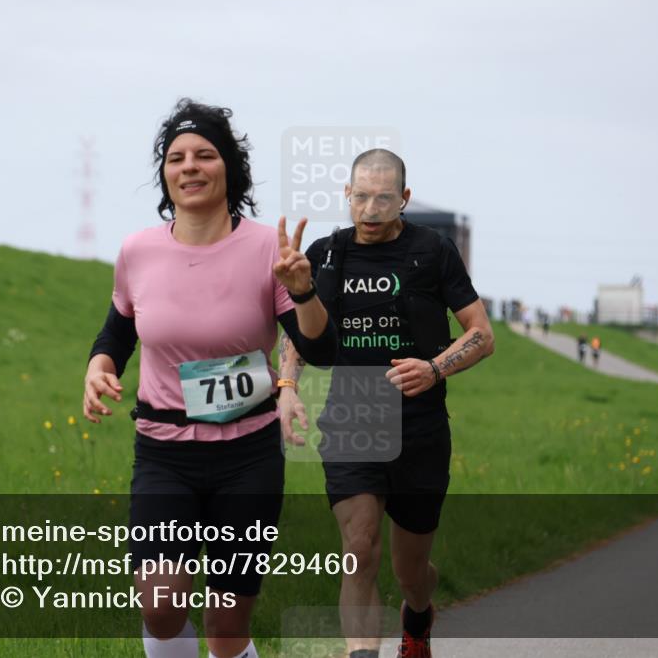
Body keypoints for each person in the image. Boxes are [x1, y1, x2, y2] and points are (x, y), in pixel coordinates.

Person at [83, 98, 337, 658]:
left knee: (226, 625)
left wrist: (302, 288)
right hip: (164, 452)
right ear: (165, 174)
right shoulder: (138, 251)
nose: (189, 166)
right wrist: (98, 368)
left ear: (229, 169)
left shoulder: (269, 246)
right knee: (161, 604)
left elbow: (317, 343)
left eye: (204, 154)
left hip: (247, 453)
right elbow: (117, 333)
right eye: (176, 158)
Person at [277, 149, 495, 658]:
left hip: (420, 424)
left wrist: (435, 367)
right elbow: (300, 334)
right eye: (360, 197)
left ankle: (416, 620)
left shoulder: (434, 252)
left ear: (405, 198)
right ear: (346, 197)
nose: (370, 209)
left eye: (383, 198)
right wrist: (287, 388)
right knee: (358, 549)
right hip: (353, 413)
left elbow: (482, 335)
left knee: (411, 572)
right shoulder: (326, 254)